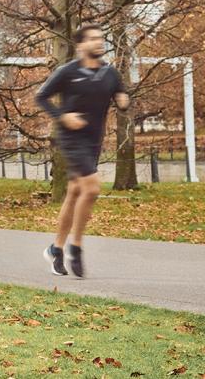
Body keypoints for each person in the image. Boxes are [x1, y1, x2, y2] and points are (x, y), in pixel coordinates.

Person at [34, 25, 129, 279]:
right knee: (93, 188)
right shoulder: (67, 72)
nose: (99, 42)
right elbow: (41, 97)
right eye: (93, 39)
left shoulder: (110, 73)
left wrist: (123, 100)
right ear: (81, 45)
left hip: (94, 140)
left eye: (101, 38)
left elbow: (120, 93)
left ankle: (56, 249)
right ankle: (75, 247)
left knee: (76, 192)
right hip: (71, 138)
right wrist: (62, 117)